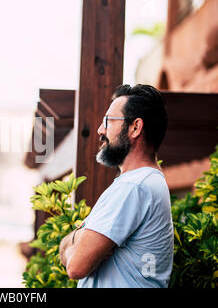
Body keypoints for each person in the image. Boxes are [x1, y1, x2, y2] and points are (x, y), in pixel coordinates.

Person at [59, 84, 174, 288]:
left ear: (135, 128)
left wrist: (75, 236)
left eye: (108, 121)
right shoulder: (147, 182)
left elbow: (75, 266)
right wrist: (82, 236)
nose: (100, 130)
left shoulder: (134, 186)